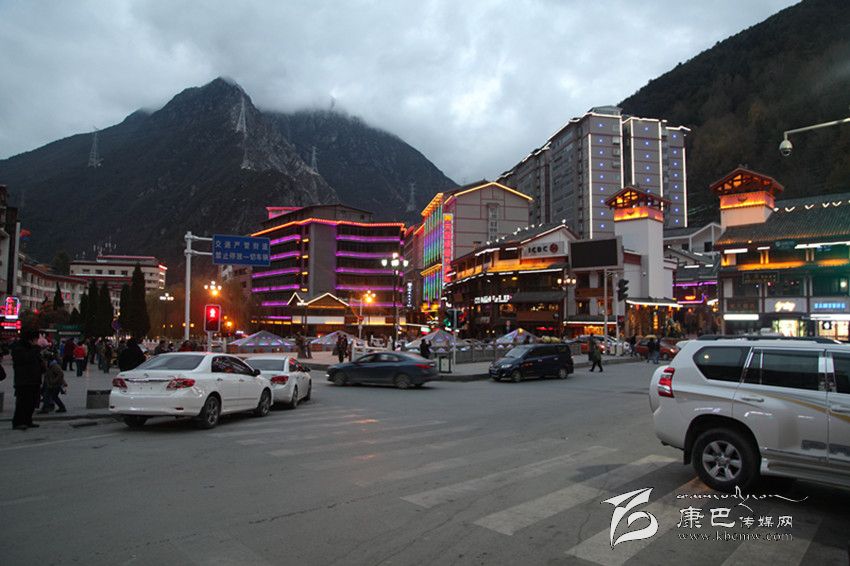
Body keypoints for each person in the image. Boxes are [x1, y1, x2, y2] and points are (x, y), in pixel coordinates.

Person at [12, 329, 45, 430]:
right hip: (24, 380)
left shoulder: (32, 349)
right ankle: (18, 422)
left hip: (34, 379)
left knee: (31, 402)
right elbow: (25, 359)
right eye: (36, 339)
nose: (37, 341)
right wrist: (36, 349)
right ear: (30, 339)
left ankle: (27, 420)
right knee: (22, 402)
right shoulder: (19, 347)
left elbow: (36, 362)